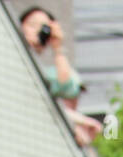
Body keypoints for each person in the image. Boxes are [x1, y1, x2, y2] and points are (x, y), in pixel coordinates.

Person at [19, 7, 102, 148]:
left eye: (43, 28)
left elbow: (66, 88)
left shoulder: (45, 74)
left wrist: (57, 47)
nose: (37, 32)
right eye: (32, 25)